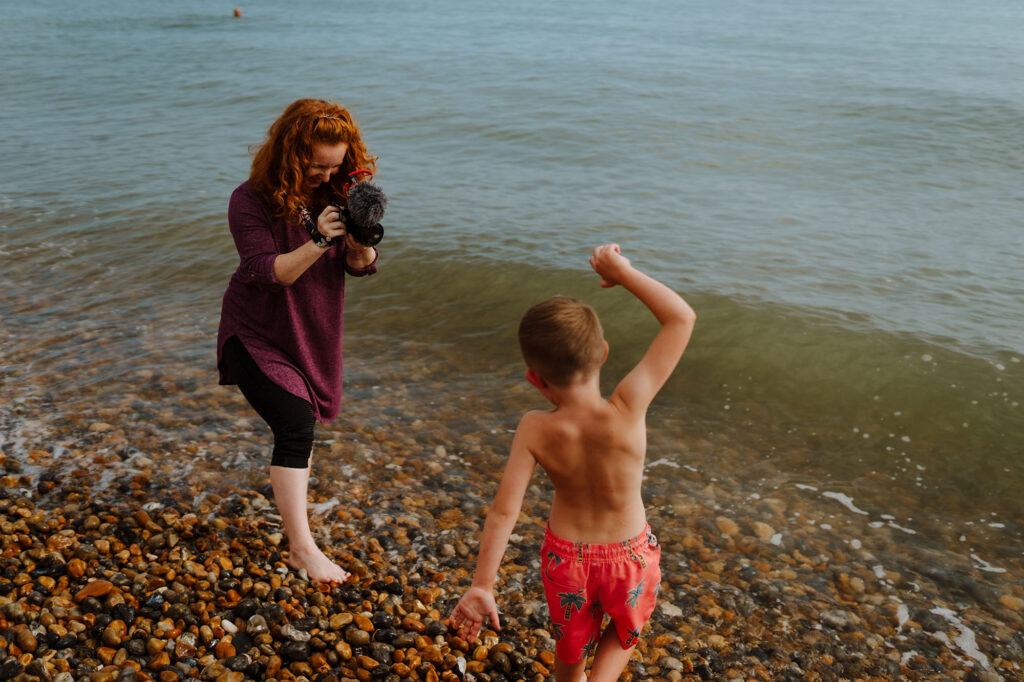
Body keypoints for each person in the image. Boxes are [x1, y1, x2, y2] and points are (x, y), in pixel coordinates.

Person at [449, 244, 697, 682]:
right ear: (602, 353)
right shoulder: (628, 406)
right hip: (630, 557)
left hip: (567, 563)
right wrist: (622, 272)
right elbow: (681, 318)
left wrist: (482, 585)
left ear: (534, 377)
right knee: (624, 632)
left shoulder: (534, 428)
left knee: (570, 654)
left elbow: (504, 512)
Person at [216, 98, 380, 583]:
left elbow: (361, 266)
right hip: (255, 330)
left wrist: (358, 239)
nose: (326, 175)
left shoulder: (339, 192)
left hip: (312, 329)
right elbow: (270, 272)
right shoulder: (249, 200)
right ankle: (301, 549)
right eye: (315, 165)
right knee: (295, 422)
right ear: (290, 154)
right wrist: (320, 241)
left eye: (335, 165)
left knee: (299, 425)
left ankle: (298, 533)